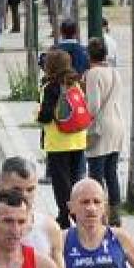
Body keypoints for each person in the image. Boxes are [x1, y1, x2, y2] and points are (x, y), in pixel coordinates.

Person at [36, 49, 87, 229]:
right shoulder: (76, 83)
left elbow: (46, 116)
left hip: (58, 143)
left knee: (61, 184)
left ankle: (65, 217)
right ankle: (77, 214)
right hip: (78, 140)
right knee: (75, 180)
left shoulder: (50, 87)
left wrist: (37, 115)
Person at [84, 38, 126, 226]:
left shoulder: (93, 74)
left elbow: (93, 106)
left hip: (100, 128)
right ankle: (116, 215)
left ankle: (99, 216)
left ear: (89, 55)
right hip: (117, 124)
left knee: (96, 174)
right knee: (111, 172)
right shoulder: (114, 72)